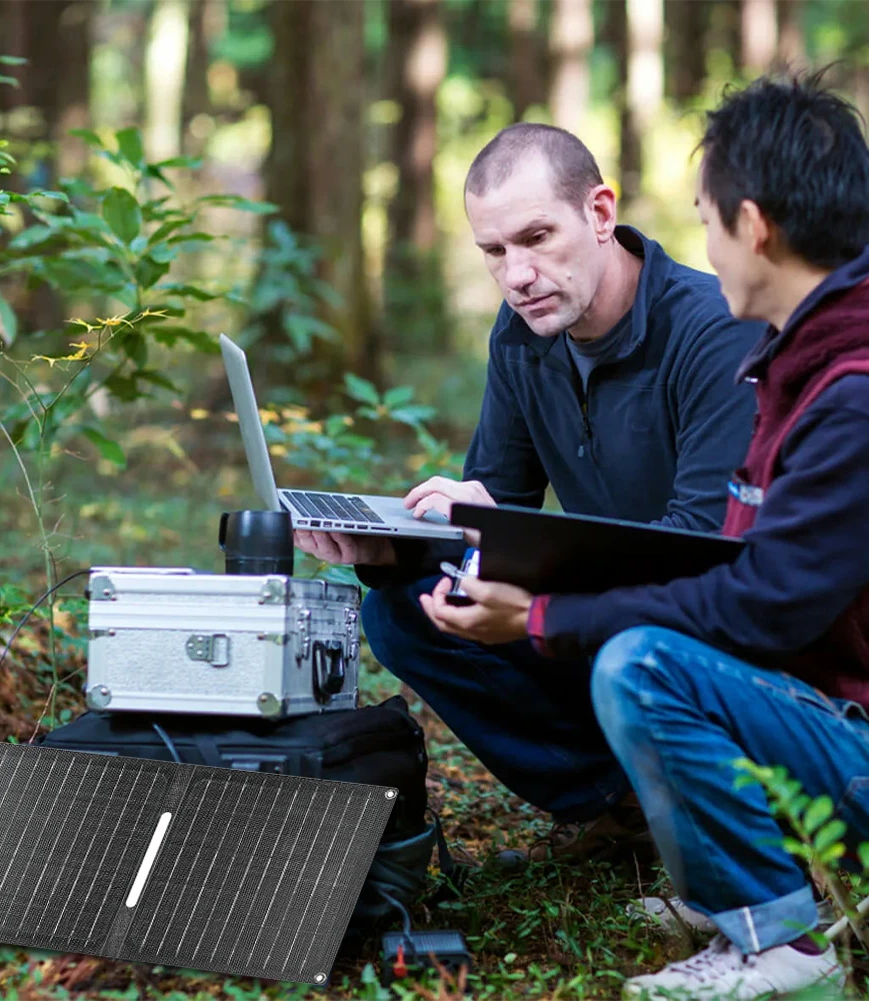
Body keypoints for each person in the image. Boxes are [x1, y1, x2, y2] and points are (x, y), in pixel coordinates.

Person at [421, 73, 869, 999]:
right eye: (492, 251)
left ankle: (780, 942)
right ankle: (692, 854)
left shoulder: (846, 386)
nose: (698, 246)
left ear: (752, 227)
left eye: (704, 220)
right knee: (624, 644)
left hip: (843, 726)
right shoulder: (802, 355)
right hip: (808, 702)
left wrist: (544, 617)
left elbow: (754, 599)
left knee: (645, 661)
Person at [297, 123, 763, 862]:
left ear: (600, 214)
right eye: (494, 251)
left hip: (712, 636)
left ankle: (719, 804)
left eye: (537, 236)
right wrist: (394, 547)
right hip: (603, 616)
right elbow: (497, 512)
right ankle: (624, 808)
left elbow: (702, 555)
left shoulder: (712, 332)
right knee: (404, 608)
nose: (516, 274)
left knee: (621, 632)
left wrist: (534, 604)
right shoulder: (521, 335)